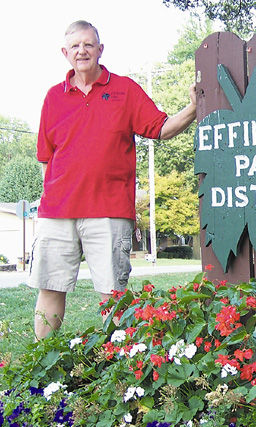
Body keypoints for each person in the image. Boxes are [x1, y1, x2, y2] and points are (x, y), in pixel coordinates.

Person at [29, 20, 197, 339]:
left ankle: (118, 370)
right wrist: (48, 200)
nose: (82, 51)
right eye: (75, 46)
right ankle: (41, 372)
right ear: (65, 53)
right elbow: (45, 158)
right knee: (49, 290)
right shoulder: (53, 98)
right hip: (57, 213)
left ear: (100, 50)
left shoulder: (125, 90)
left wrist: (193, 108)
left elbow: (161, 128)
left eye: (89, 44)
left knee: (113, 297)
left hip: (109, 212)